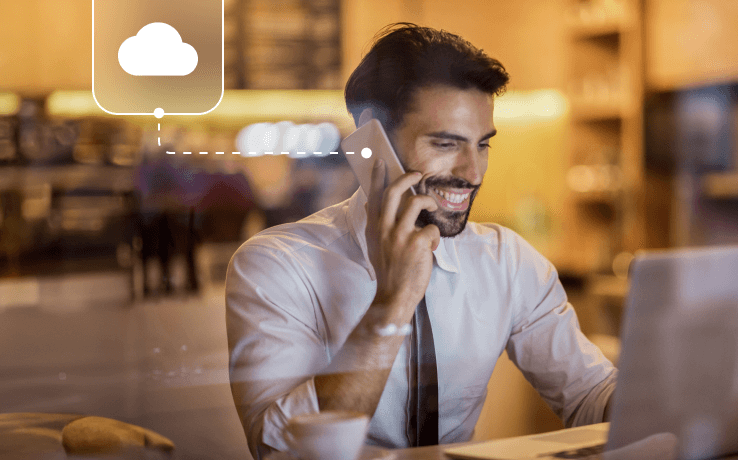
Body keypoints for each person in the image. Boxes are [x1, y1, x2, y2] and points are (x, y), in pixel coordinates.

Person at [225, 23, 617, 459]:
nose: (473, 173)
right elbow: (278, 451)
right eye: (447, 143)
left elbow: (591, 396)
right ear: (373, 141)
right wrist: (391, 305)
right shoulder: (276, 265)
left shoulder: (508, 261)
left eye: (482, 145)